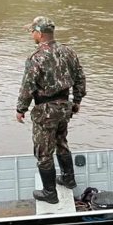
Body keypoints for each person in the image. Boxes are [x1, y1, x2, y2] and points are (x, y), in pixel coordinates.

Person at [16, 16, 86, 203]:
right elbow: (80, 78)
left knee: (43, 152)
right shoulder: (69, 52)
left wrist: (21, 109)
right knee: (61, 142)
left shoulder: (36, 58)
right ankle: (69, 179)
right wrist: (77, 100)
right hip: (64, 107)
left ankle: (50, 193)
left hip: (45, 111)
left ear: (39, 34)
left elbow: (27, 87)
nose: (31, 35)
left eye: (32, 32)